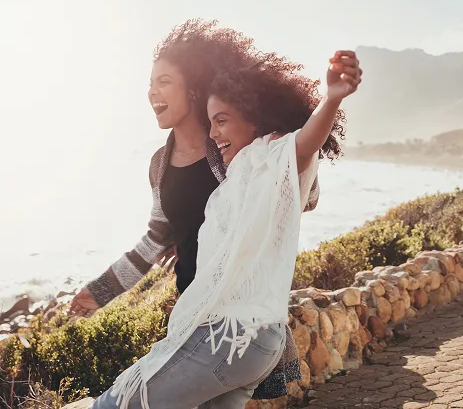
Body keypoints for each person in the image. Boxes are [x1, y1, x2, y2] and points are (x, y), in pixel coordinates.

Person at [91, 49, 362, 409]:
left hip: (230, 336)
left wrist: (331, 99)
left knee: (116, 405)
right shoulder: (230, 172)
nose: (214, 132)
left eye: (221, 121)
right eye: (211, 122)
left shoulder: (269, 155)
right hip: (243, 339)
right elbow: (167, 234)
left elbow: (304, 145)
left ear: (254, 119)